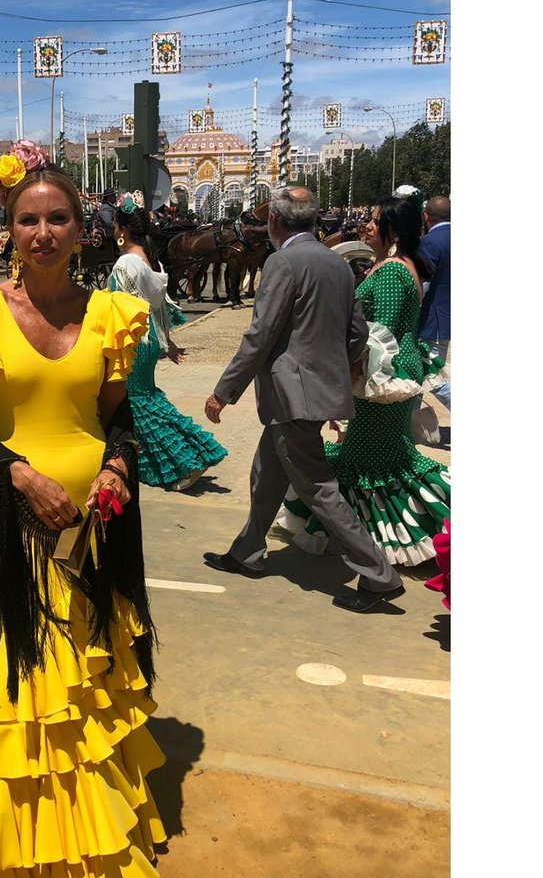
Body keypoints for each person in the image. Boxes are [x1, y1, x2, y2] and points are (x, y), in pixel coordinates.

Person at [0, 141, 166, 878]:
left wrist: (118, 469)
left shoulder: (110, 316)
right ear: (8, 228)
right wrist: (21, 479)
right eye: (28, 219)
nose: (42, 232)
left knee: (86, 700)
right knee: (26, 699)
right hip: (19, 535)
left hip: (94, 534)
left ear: (82, 228)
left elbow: (117, 418)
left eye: (57, 217)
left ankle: (98, 863)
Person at [202, 186, 406, 613]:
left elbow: (261, 335)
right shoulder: (337, 263)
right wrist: (330, 370)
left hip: (292, 395)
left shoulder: (282, 263)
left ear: (275, 223)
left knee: (318, 488)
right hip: (310, 395)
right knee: (266, 474)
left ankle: (379, 575)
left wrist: (224, 392)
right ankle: (247, 551)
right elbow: (358, 334)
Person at [275, 195, 450, 569]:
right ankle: (375, 535)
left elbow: (377, 332)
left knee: (372, 459)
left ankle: (381, 542)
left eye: (374, 220)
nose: (366, 225)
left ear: (393, 230)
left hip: (382, 376)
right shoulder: (404, 266)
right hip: (396, 371)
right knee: (386, 455)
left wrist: (350, 376)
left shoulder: (390, 271)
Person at [108, 192, 227, 491]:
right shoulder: (152, 265)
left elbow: (117, 309)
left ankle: (184, 461)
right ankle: (191, 452)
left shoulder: (124, 266)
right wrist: (167, 343)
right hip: (149, 341)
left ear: (122, 231)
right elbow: (161, 308)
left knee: (138, 403)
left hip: (132, 342)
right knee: (148, 399)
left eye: (114, 226)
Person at [417, 195, 450, 411]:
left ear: (426, 216)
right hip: (446, 319)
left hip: (432, 321)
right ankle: (405, 429)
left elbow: (423, 284)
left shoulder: (431, 241)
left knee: (435, 377)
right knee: (418, 375)